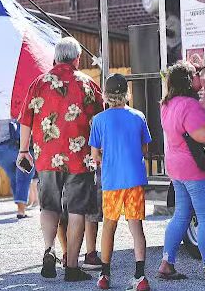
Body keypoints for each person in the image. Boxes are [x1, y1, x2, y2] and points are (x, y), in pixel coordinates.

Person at [17, 37, 103, 282]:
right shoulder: (88, 84)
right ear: (77, 58)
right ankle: (73, 266)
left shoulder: (39, 83)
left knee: (49, 206)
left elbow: (26, 119)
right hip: (80, 157)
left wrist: (24, 151)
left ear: (55, 58)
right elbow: (100, 121)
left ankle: (49, 249)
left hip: (46, 156)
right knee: (77, 210)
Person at [157, 61, 205, 282]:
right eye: (196, 75)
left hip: (176, 168)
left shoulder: (167, 104)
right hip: (195, 169)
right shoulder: (190, 106)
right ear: (188, 81)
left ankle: (166, 263)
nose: (200, 78)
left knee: (181, 214)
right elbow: (204, 136)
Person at [90, 73, 151, 291]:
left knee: (109, 226)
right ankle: (140, 276)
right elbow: (145, 148)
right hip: (134, 179)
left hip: (112, 181)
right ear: (127, 94)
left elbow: (95, 155)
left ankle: (105, 275)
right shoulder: (138, 116)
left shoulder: (99, 120)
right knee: (136, 226)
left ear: (105, 95)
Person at [0, 119, 34, 218]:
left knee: (14, 177)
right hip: (18, 147)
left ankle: (20, 207)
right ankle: (21, 210)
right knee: (24, 176)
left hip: (1, 151)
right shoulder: (21, 108)